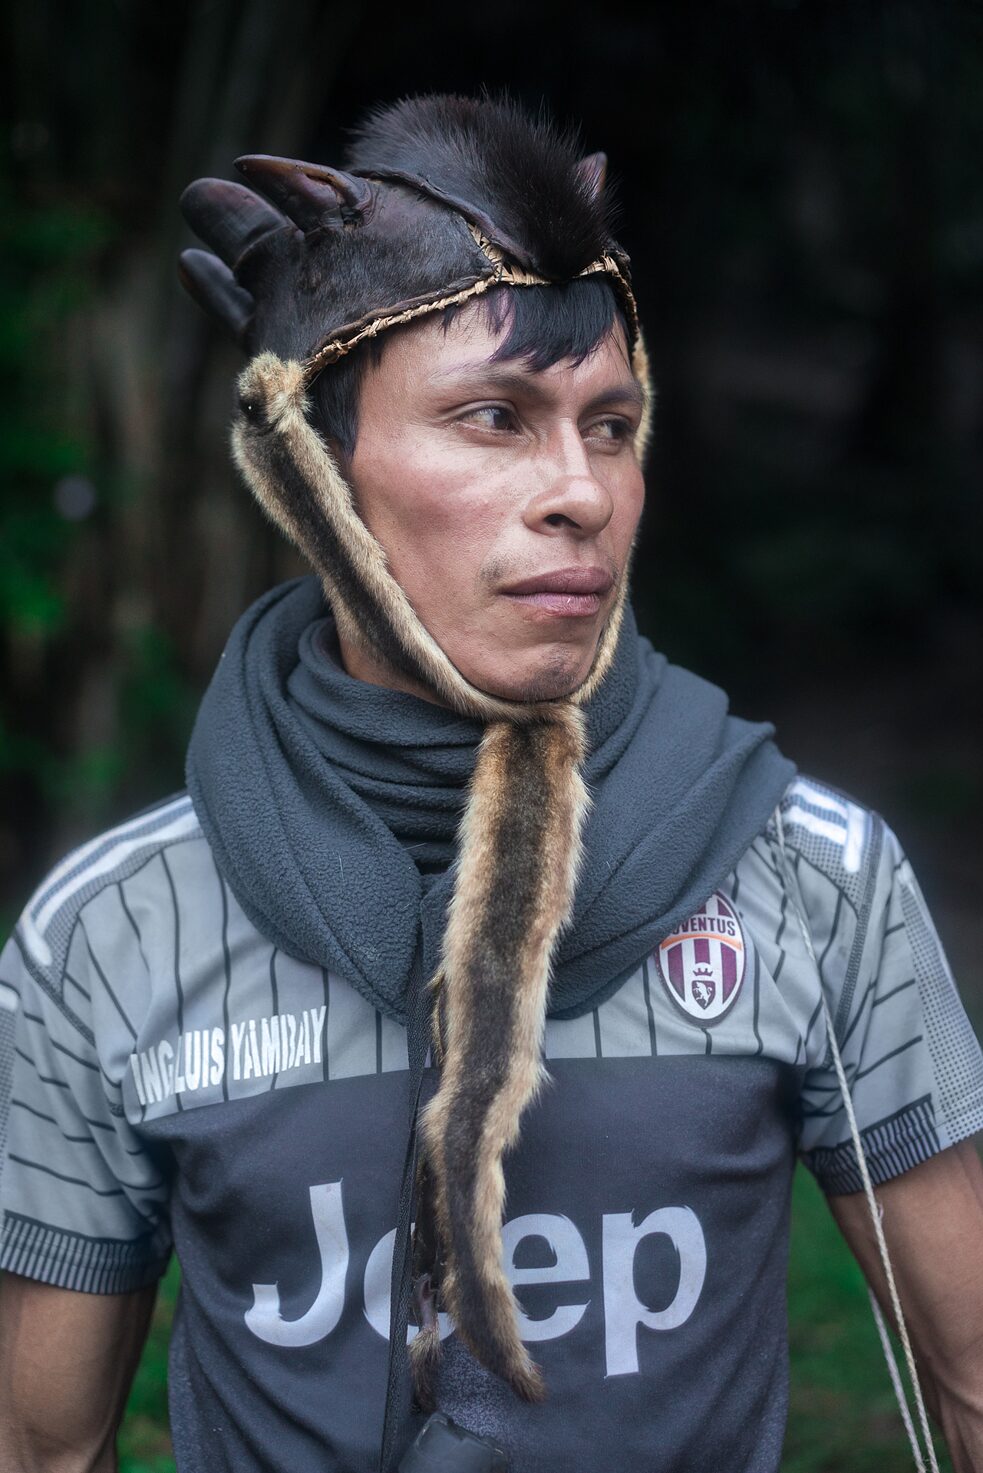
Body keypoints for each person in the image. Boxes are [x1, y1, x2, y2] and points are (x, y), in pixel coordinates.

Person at [0, 94, 981, 1473]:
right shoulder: (111, 932)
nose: (579, 489)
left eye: (613, 423)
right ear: (313, 469)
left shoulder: (816, 877)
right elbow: (40, 1446)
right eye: (494, 417)